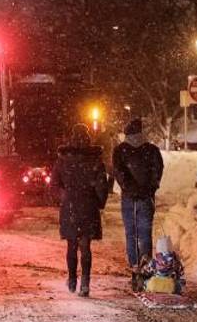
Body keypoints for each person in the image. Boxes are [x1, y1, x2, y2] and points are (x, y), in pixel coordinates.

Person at [53, 123, 110, 297]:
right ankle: (85, 282)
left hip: (70, 205)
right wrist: (100, 203)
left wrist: (62, 198)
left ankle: (72, 280)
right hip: (88, 205)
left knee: (71, 245)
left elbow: (55, 184)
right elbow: (102, 186)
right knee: (85, 246)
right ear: (87, 139)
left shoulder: (63, 160)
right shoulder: (95, 160)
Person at [113, 118, 163, 275]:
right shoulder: (152, 150)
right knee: (145, 231)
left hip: (128, 197)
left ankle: (134, 263)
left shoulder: (120, 150)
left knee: (131, 231)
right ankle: (146, 262)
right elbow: (157, 170)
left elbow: (118, 172)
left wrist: (128, 187)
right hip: (146, 197)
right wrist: (150, 188)